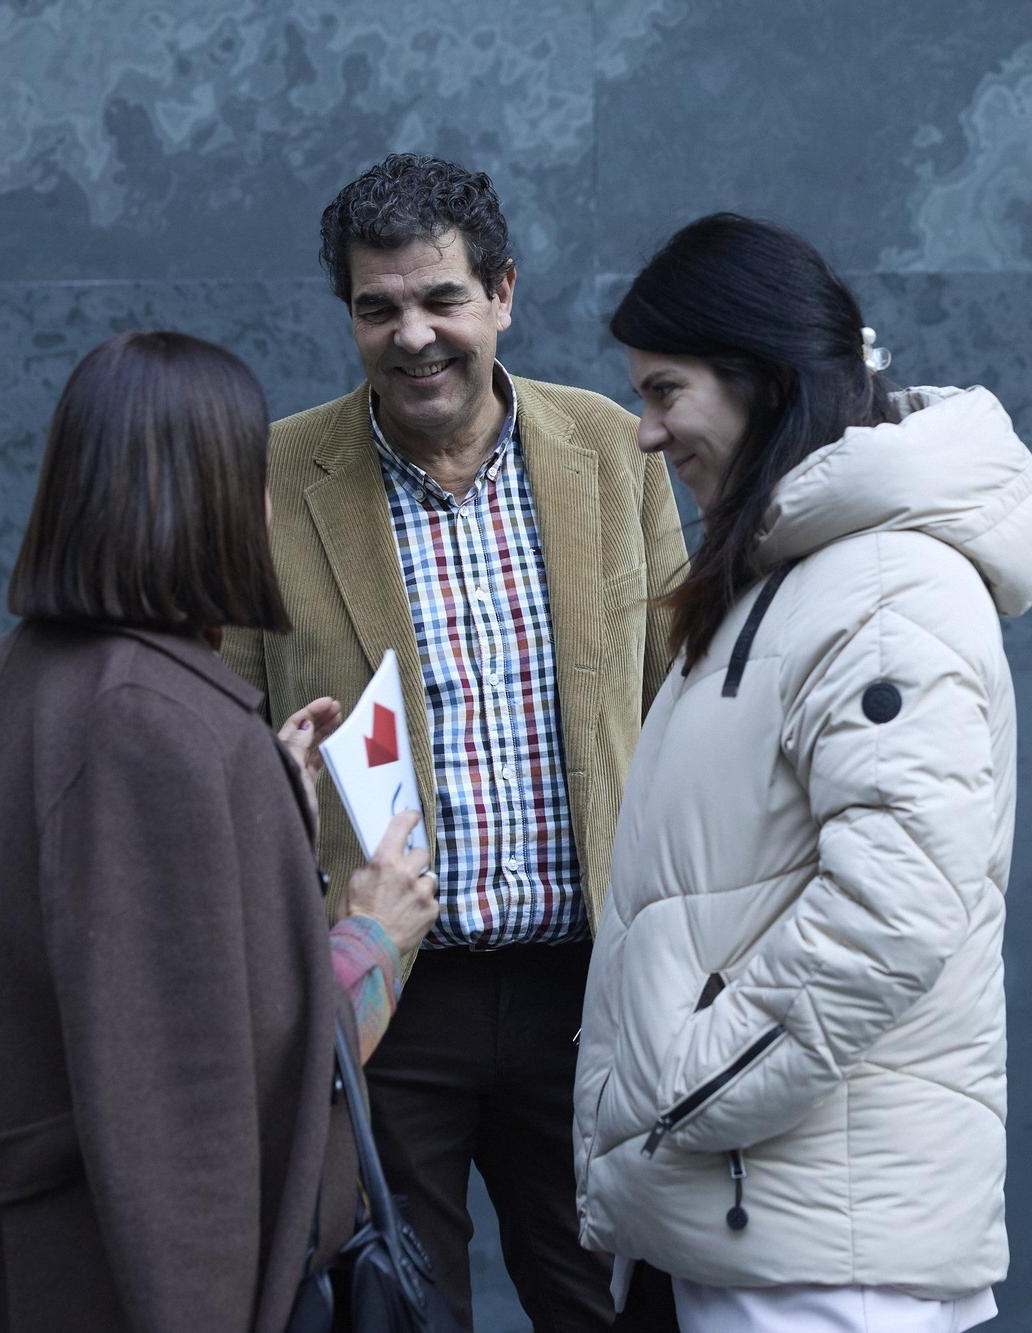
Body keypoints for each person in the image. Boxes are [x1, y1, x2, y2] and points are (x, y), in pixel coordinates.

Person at [0, 331, 438, 1332]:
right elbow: (196, 1102)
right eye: (249, 478)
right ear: (202, 500)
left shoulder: (7, 677)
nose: (266, 510)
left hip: (31, 1261)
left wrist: (262, 811)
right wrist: (371, 938)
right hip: (116, 1278)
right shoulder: (159, 726)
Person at [219, 152, 687, 1330]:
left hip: (588, 985)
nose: (413, 335)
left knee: (610, 1306)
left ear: (503, 295)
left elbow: (682, 696)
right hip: (388, 992)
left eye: (441, 299)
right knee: (397, 1308)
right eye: (377, 308)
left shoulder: (609, 452)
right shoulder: (272, 477)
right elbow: (223, 723)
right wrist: (261, 774)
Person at [570, 213, 1032, 1332]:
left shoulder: (884, 586)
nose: (645, 433)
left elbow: (895, 904)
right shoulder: (793, 573)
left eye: (664, 390)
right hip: (761, 1223)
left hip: (822, 1258)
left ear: (762, 381)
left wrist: (687, 1087)